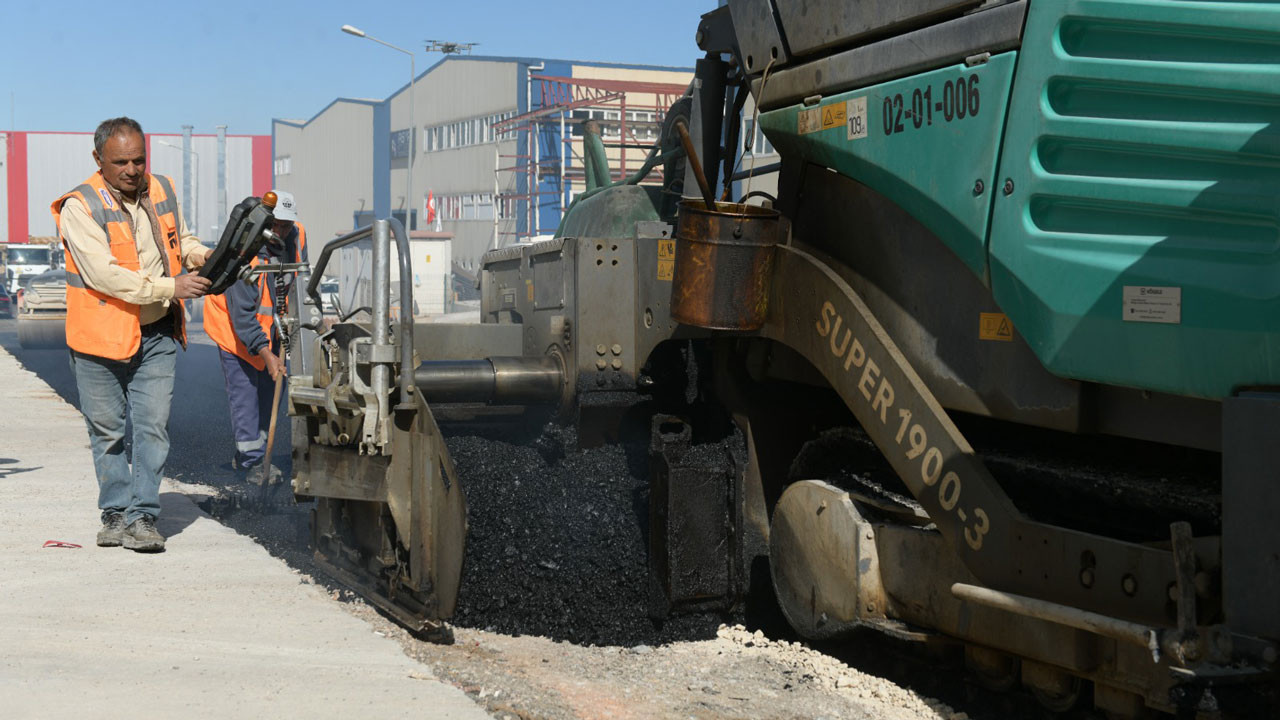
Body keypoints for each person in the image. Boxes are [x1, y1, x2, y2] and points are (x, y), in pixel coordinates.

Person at [51, 117, 212, 552]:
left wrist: (202, 254)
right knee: (107, 433)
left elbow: (179, 240)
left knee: (152, 428)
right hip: (99, 339)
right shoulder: (80, 206)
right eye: (121, 162)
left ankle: (142, 517)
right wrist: (170, 287)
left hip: (156, 332)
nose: (132, 170)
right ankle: (115, 513)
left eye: (139, 160)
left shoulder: (161, 189)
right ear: (98, 159)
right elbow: (103, 275)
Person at [203, 190, 306, 487]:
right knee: (246, 397)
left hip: (273, 330)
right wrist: (265, 352)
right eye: (276, 225)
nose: (281, 232)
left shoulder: (296, 238)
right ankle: (252, 461)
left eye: (286, 225)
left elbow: (299, 282)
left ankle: (257, 455)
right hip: (234, 330)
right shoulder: (245, 252)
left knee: (270, 394)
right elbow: (243, 316)